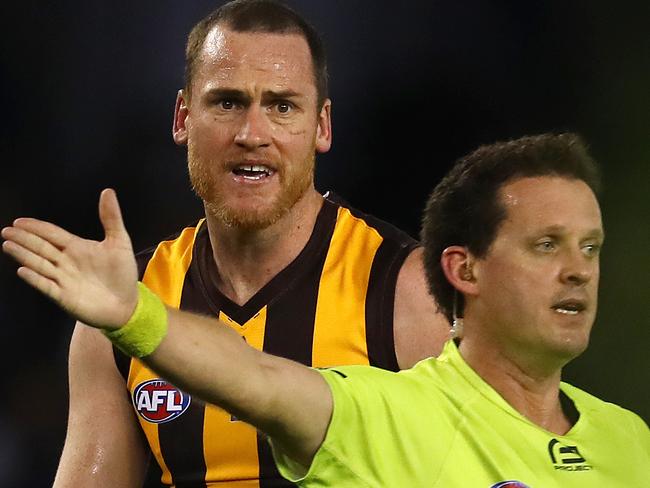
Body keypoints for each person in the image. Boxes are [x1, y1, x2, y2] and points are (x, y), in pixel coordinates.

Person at [4, 132, 649, 486]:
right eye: (546, 246)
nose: (579, 270)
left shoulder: (632, 444)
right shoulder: (392, 414)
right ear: (464, 271)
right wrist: (133, 318)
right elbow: (258, 380)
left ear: (321, 126)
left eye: (590, 247)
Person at [9, 1, 448, 486]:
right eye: (227, 102)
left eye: (282, 106)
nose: (251, 134)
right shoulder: (123, 303)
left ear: (322, 126)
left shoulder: (407, 293)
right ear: (182, 117)